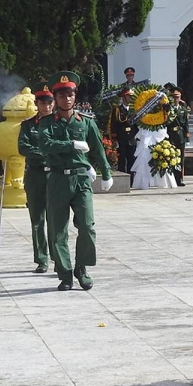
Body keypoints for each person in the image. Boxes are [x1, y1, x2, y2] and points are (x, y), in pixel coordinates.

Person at [39, 71, 113, 291]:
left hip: (81, 179)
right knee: (58, 230)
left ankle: (82, 268)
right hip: (58, 179)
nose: (66, 99)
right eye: (61, 96)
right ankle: (65, 273)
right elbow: (45, 145)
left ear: (75, 96)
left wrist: (106, 173)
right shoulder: (46, 123)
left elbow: (98, 150)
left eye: (70, 94)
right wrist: (71, 144)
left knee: (87, 226)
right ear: (55, 98)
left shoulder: (86, 122)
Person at [17, 82, 56, 274]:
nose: (46, 106)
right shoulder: (28, 125)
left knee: (56, 218)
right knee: (37, 218)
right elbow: (23, 147)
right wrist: (46, 153)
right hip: (35, 174)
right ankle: (42, 259)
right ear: (37, 103)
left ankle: (59, 258)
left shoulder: (59, 124)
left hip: (55, 175)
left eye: (49, 102)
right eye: (43, 102)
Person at [166, 86, 189, 187]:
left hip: (180, 136)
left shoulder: (183, 109)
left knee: (180, 158)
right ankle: (171, 179)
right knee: (170, 157)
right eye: (174, 97)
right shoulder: (168, 108)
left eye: (178, 97)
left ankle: (179, 178)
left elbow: (186, 124)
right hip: (171, 135)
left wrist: (186, 136)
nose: (176, 99)